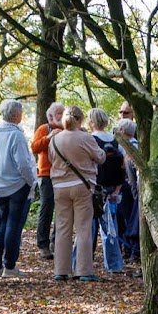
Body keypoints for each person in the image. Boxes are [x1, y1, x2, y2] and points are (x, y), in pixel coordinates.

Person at [48, 105, 107, 281]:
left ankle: (61, 270)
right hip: (83, 186)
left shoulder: (55, 140)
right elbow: (100, 157)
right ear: (80, 120)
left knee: (62, 228)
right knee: (83, 228)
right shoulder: (85, 138)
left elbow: (51, 159)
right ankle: (83, 270)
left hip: (59, 186)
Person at [0, 100, 38, 276]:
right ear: (15, 115)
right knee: (13, 225)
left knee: (0, 224)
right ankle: (9, 265)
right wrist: (31, 182)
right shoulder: (17, 135)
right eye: (21, 113)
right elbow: (23, 163)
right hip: (17, 185)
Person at [86, 108, 126, 276]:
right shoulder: (117, 141)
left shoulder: (90, 140)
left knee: (88, 227)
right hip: (113, 190)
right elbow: (123, 166)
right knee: (110, 228)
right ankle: (114, 264)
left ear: (91, 122)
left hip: (95, 189)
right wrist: (118, 188)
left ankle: (83, 262)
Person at [30, 102, 64, 259]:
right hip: (46, 174)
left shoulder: (67, 129)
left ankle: (57, 241)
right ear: (51, 116)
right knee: (46, 208)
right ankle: (43, 244)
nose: (62, 115)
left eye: (63, 112)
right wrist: (49, 137)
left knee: (62, 209)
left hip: (64, 174)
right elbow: (35, 147)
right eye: (59, 113)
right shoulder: (44, 129)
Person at [115, 117, 141, 264]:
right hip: (132, 189)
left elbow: (130, 172)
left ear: (123, 131)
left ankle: (131, 250)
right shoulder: (137, 146)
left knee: (128, 219)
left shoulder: (130, 149)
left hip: (129, 188)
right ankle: (129, 250)